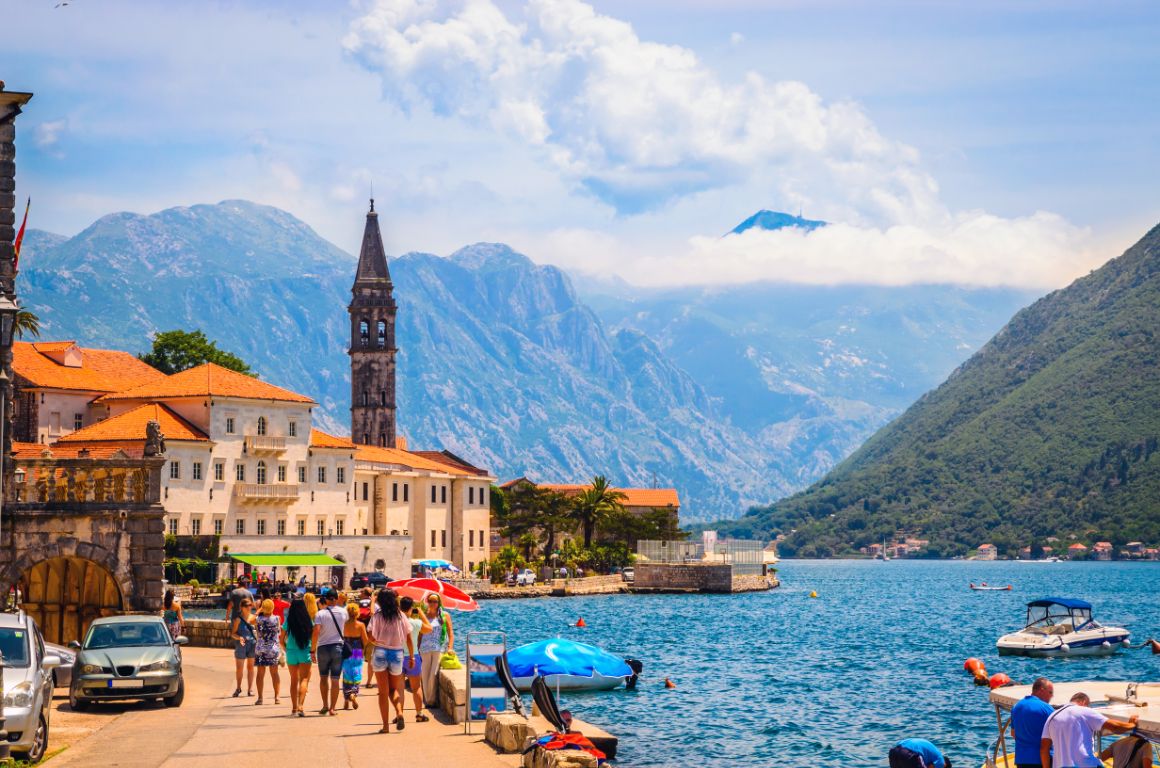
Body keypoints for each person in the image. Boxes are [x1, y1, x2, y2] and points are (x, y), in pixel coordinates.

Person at [1042, 692, 1138, 768]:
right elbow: (1114, 727)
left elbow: (1044, 749)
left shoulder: (1052, 717)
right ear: (1084, 702)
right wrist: (1131, 724)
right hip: (1085, 765)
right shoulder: (1084, 711)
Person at [367, 589, 415, 733]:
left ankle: (385, 727)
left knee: (383, 692)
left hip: (380, 651)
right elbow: (408, 638)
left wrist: (376, 641)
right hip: (397, 653)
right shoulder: (401, 616)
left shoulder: (377, 616)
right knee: (393, 689)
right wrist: (411, 656)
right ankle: (399, 712)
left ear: (380, 601)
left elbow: (370, 634)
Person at [311, 588, 348, 716]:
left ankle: (325, 705)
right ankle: (333, 708)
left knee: (323, 678)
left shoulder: (320, 614)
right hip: (338, 646)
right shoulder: (344, 612)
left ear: (326, 599)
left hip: (323, 648)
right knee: (335, 679)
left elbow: (316, 631)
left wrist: (312, 650)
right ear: (336, 599)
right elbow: (345, 628)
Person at [399, 596, 433, 721]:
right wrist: (421, 613)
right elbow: (429, 628)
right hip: (413, 657)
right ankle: (419, 714)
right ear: (411, 608)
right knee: (416, 687)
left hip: (398, 657)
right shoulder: (415, 623)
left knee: (399, 688)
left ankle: (399, 713)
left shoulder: (396, 621)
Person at [418, 593, 454, 709]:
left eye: (435, 601)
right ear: (427, 602)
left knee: (433, 674)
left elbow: (450, 633)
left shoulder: (445, 615)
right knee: (425, 674)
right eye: (431, 601)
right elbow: (419, 634)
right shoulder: (424, 615)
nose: (433, 603)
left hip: (439, 647)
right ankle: (428, 701)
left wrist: (450, 647)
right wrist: (417, 648)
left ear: (439, 603)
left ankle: (431, 701)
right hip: (424, 648)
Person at [1011, 677, 1055, 768]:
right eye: (1050, 692)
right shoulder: (1047, 709)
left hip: (1021, 760)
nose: (1052, 696)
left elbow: (1013, 733)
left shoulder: (1016, 707)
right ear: (1041, 690)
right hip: (1041, 761)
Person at [282, 598, 314, 717]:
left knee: (293, 680)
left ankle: (294, 708)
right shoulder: (308, 620)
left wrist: (286, 648)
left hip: (291, 652)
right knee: (304, 679)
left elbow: (281, 639)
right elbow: (312, 636)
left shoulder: (288, 621)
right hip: (304, 651)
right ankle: (301, 705)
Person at [341, 601, 371, 711]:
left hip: (346, 650)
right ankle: (353, 693)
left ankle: (346, 700)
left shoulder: (343, 624)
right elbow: (366, 640)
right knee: (356, 673)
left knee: (346, 674)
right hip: (357, 651)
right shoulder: (360, 625)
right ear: (357, 613)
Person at [253, 598, 282, 706]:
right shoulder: (276, 619)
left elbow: (249, 619)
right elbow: (278, 632)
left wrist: (258, 610)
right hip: (273, 649)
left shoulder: (258, 619)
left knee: (260, 674)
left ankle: (260, 698)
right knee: (274, 674)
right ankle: (277, 697)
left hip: (261, 649)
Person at [230, 596, 257, 697]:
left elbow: (257, 631)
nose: (249, 607)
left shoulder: (254, 618)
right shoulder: (238, 619)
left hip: (252, 644)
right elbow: (233, 633)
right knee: (239, 668)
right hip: (241, 645)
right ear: (241, 607)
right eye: (246, 605)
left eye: (250, 605)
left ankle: (250, 689)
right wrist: (239, 638)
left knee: (251, 667)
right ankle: (238, 688)